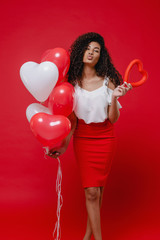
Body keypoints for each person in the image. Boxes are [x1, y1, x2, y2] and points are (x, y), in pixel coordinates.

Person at [47, 32, 132, 240]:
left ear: (100, 56)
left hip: (105, 138)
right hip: (83, 139)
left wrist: (114, 97)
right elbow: (73, 121)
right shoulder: (72, 84)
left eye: (96, 50)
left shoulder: (108, 81)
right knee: (92, 192)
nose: (91, 52)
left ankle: (89, 236)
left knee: (97, 192)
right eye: (88, 48)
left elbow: (112, 119)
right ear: (81, 51)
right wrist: (63, 146)